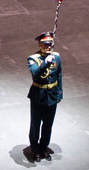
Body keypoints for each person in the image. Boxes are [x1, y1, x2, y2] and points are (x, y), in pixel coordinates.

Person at [26, 32, 62, 161]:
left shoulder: (56, 57)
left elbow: (58, 75)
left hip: (51, 95)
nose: (49, 47)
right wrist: (45, 63)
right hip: (38, 96)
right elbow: (35, 73)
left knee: (48, 125)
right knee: (35, 125)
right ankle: (35, 150)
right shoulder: (33, 59)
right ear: (39, 44)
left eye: (50, 44)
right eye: (46, 44)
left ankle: (43, 148)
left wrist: (59, 93)